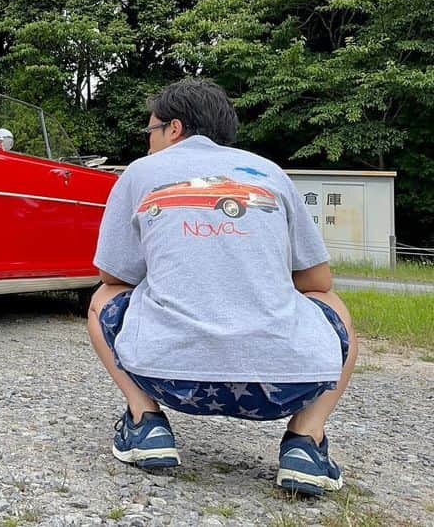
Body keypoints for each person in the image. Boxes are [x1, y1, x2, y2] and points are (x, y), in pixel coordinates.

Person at [86, 78, 357, 496]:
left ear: (173, 129)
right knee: (330, 302)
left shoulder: (140, 174)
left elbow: (113, 277)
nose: (148, 143)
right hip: (285, 385)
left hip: (170, 378)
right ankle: (306, 441)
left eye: (150, 132)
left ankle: (146, 423)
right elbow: (317, 281)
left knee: (101, 299)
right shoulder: (269, 173)